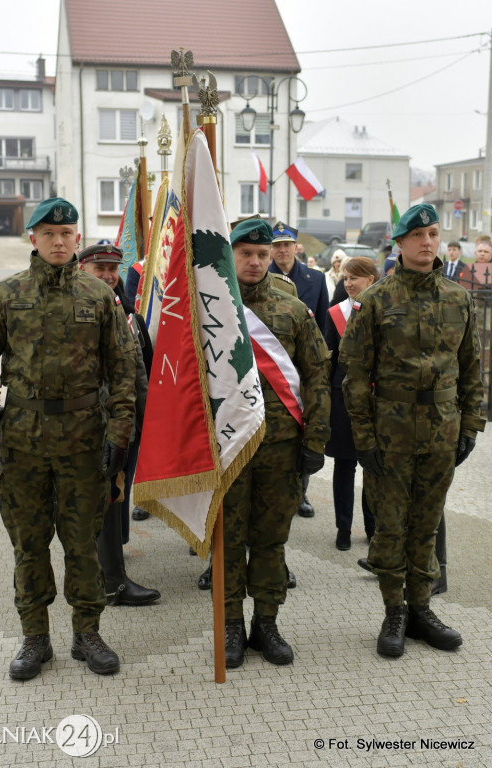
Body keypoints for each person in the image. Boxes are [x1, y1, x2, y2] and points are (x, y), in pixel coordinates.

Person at [0, 197, 136, 680]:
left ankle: (87, 634)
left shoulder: (99, 298)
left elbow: (123, 371)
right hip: (22, 442)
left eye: (67, 234)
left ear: (76, 239)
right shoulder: (4, 295)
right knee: (30, 544)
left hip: (84, 440)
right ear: (33, 240)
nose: (59, 242)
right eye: (49, 235)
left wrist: (119, 437)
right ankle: (35, 639)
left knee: (82, 544)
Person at [339, 203, 485, 658]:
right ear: (399, 243)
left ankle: (421, 609)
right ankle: (393, 611)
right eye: (418, 236)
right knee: (391, 527)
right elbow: (356, 378)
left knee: (427, 523)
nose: (428, 243)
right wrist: (363, 438)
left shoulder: (457, 297)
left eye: (434, 235)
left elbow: (472, 369)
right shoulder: (377, 300)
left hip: (443, 429)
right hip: (392, 432)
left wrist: (472, 427)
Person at [224, 218, 331, 668]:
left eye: (262, 254)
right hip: (226, 448)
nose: (254, 262)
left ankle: (265, 623)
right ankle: (229, 625)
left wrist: (317, 441)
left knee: (271, 540)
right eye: (245, 253)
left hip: (281, 447)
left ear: (274, 257)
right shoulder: (208, 310)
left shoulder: (292, 312)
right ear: (229, 255)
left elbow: (317, 377)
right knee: (227, 541)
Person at [78, 242, 160, 606]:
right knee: (96, 501)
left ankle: (113, 575)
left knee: (115, 499)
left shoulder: (130, 316)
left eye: (114, 269)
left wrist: (145, 425)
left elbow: (144, 373)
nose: (110, 276)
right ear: (82, 271)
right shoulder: (78, 313)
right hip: (90, 427)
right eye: (100, 270)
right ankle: (102, 581)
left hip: (126, 427)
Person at [268, 221, 329, 520]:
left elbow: (322, 324)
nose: (281, 250)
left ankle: (301, 493)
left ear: (295, 246)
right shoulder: (259, 277)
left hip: (301, 366)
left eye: (286, 245)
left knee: (302, 428)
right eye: (276, 245)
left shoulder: (315, 279)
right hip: (268, 368)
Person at [324, 257, 379, 551]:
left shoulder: (383, 311)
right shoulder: (336, 313)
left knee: (372, 466)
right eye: (345, 278)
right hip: (342, 400)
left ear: (370, 279)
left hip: (375, 402)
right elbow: (328, 361)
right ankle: (343, 527)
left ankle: (372, 527)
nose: (348, 283)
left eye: (354, 278)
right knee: (344, 466)